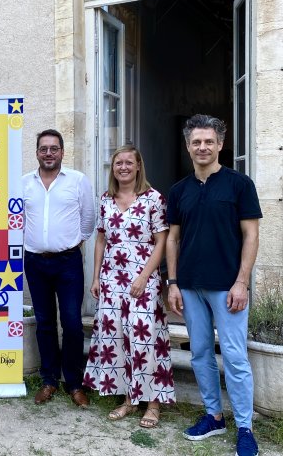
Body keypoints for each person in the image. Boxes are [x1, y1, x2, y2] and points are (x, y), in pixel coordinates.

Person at [166, 114, 262, 456]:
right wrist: (173, 282)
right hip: (190, 286)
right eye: (196, 142)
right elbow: (173, 240)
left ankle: (245, 427)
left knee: (235, 357)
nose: (202, 147)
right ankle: (214, 415)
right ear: (188, 146)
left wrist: (242, 282)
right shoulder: (179, 191)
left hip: (228, 287)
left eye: (209, 141)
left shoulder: (239, 184)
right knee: (201, 353)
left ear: (220, 144)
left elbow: (251, 235)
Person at [83, 146, 174, 428]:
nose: (122, 167)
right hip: (112, 279)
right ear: (113, 168)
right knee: (118, 338)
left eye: (128, 162)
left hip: (142, 279)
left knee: (145, 337)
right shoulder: (105, 200)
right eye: (117, 163)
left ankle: (153, 403)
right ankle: (130, 399)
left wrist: (144, 277)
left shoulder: (153, 198)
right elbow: (101, 239)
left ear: (138, 166)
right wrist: (96, 277)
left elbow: (162, 240)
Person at [22, 129, 95, 407]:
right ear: (37, 152)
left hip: (68, 262)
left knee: (73, 324)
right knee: (44, 323)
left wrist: (71, 242)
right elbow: (16, 218)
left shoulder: (77, 180)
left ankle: (74, 383)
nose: (49, 153)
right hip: (36, 262)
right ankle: (49, 380)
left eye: (54, 148)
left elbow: (88, 219)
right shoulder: (24, 183)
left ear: (62, 152)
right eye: (44, 149)